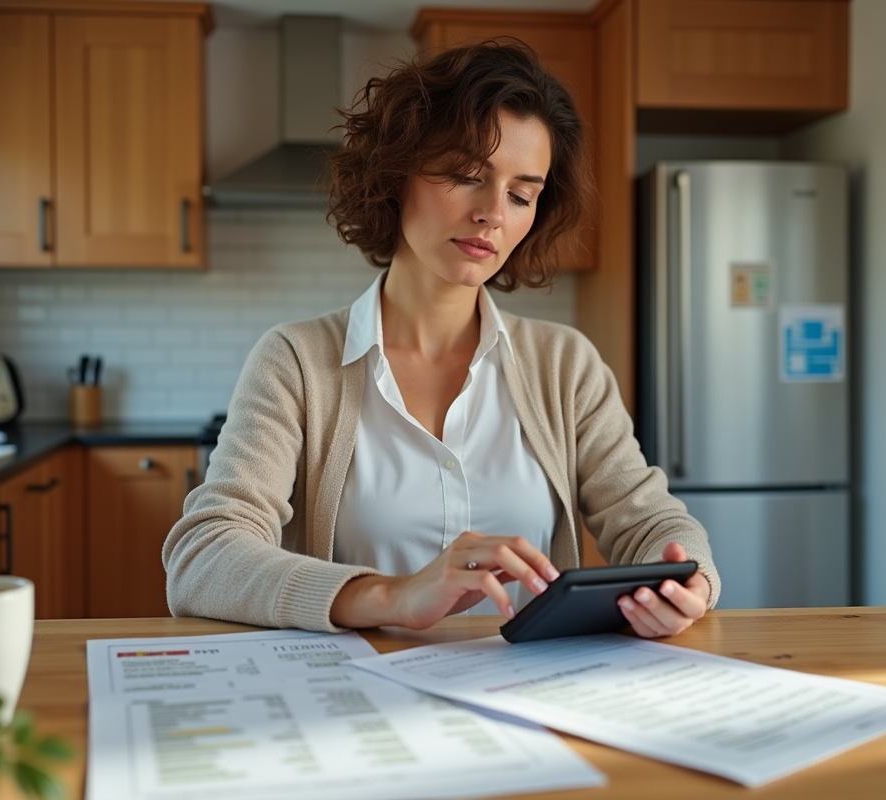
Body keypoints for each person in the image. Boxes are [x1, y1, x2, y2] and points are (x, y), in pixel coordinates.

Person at [163, 40, 720, 639]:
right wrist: (393, 596)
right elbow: (204, 557)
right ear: (396, 173)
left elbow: (650, 520)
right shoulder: (296, 362)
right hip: (363, 702)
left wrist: (687, 577)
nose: (492, 214)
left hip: (531, 699)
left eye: (521, 194)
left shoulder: (565, 364)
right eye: (466, 175)